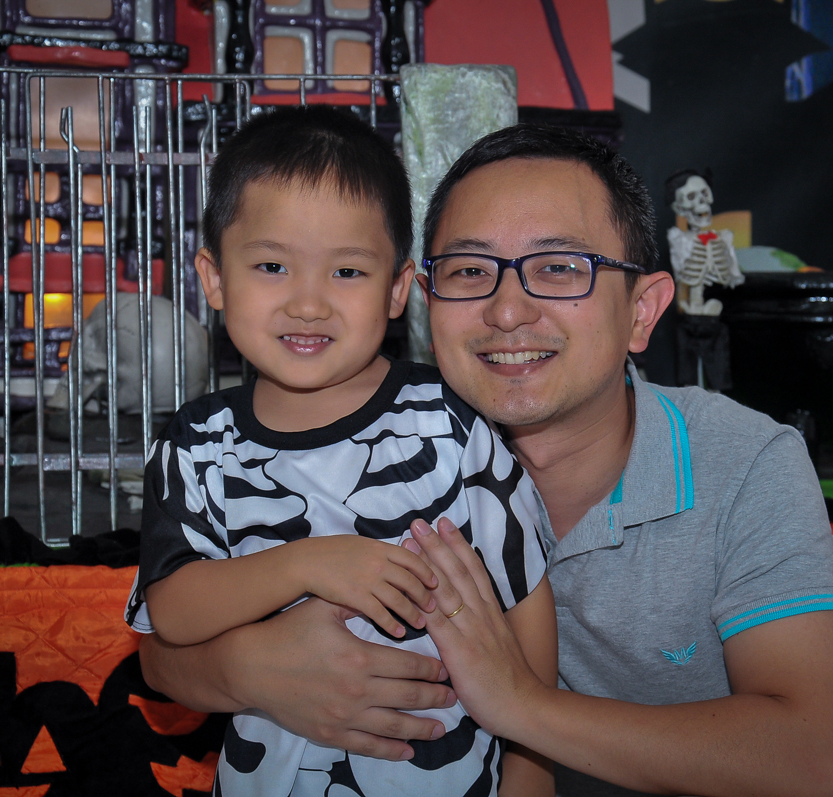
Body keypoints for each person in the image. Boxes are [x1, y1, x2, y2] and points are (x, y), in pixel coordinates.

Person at [137, 123, 833, 797]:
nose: (508, 308)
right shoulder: (403, 444)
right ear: (423, 297)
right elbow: (161, 651)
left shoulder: (743, 461)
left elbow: (813, 759)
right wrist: (252, 667)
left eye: (558, 267)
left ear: (642, 310)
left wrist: (521, 706)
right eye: (469, 269)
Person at [124, 107, 556, 797]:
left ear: (395, 289)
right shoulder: (197, 446)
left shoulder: (450, 424)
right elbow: (170, 612)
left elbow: (526, 594)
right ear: (213, 278)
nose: (308, 304)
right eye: (271, 265)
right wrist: (308, 563)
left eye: (347, 272)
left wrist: (533, 769)